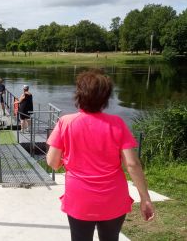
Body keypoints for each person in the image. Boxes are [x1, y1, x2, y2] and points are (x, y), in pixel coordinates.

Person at [46, 69, 155, 241]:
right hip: (113, 198)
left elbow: (52, 162)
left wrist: (68, 158)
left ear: (79, 95)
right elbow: (132, 164)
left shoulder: (65, 122)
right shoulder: (117, 123)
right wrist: (145, 198)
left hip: (79, 198)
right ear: (105, 97)